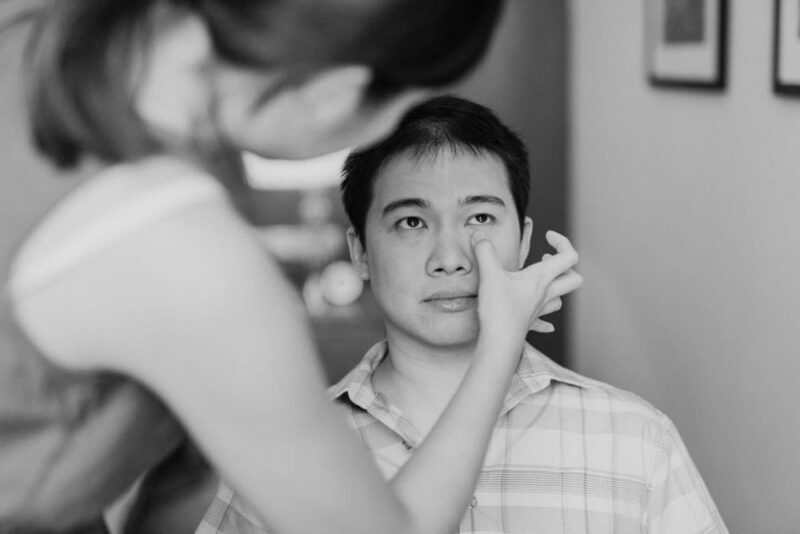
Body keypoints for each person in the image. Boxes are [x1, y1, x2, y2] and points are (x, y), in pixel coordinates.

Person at [0, 1, 585, 533]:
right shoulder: (187, 256)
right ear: (337, 90)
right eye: (398, 110)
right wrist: (501, 341)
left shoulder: (47, 42)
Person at [199, 95, 728, 534]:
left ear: (522, 242)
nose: (450, 258)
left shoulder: (634, 439)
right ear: (360, 252)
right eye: (411, 222)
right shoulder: (283, 463)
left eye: (479, 216)